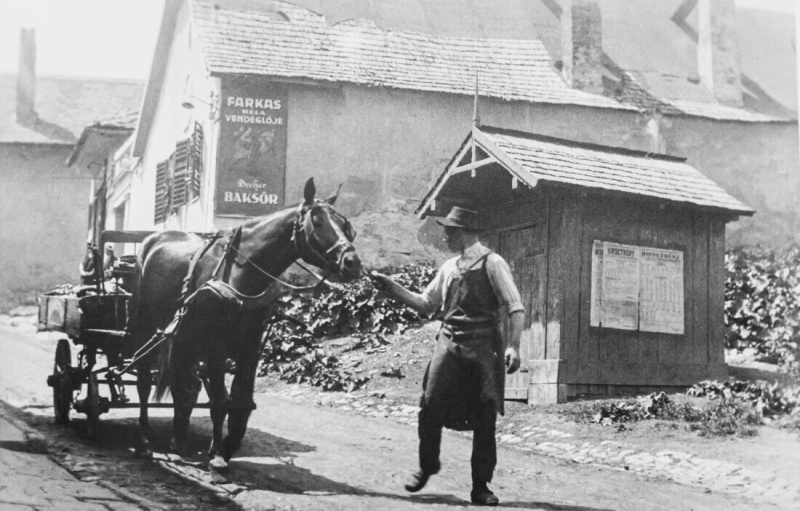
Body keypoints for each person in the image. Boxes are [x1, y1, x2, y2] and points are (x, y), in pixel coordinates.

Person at [370, 206, 523, 507]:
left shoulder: (493, 263)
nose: (445, 236)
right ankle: (428, 464)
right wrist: (392, 288)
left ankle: (481, 487)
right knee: (430, 403)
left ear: (464, 232)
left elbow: (515, 307)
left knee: (484, 416)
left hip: (483, 347)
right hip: (450, 342)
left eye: (450, 231)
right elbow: (426, 305)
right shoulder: (449, 267)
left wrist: (514, 346)